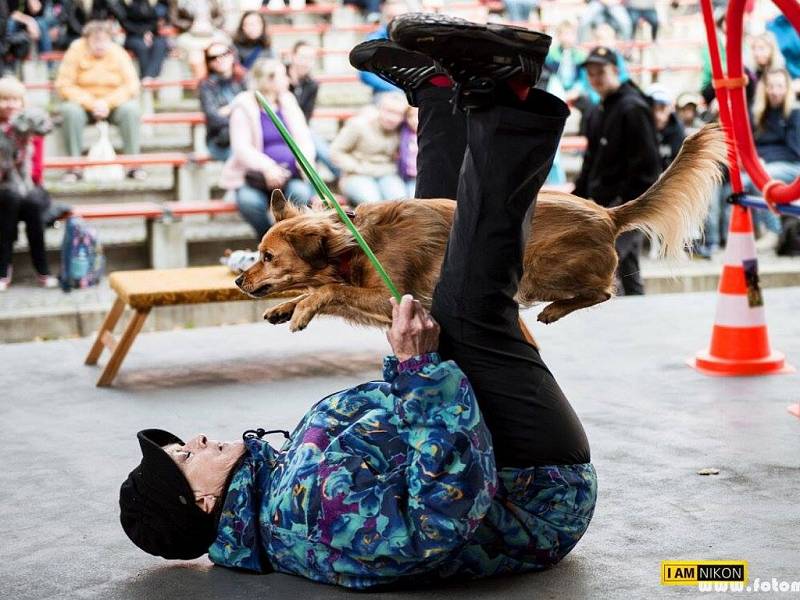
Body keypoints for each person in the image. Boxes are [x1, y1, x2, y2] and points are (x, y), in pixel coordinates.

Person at [119, 14, 595, 587]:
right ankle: (509, 97)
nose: (195, 439)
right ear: (200, 501)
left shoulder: (277, 485)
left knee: (426, 235)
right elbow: (449, 509)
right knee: (469, 304)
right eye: (188, 456)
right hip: (533, 487)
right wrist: (419, 370)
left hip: (480, 429)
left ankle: (442, 95)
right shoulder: (314, 526)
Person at [574, 46, 661, 295]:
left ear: (615, 70)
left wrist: (625, 202)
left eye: (600, 71)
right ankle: (635, 311)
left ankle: (623, 315)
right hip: (604, 204)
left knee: (611, 263)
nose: (595, 78)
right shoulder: (597, 111)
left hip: (627, 206)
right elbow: (591, 161)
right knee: (625, 267)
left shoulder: (632, 107)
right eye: (590, 73)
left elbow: (648, 166)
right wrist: (577, 196)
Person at [220, 57, 315, 238]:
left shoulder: (288, 101)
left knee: (300, 194)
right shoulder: (244, 105)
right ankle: (268, 239)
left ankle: (289, 241)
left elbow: (304, 138)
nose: (287, 79)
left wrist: (301, 162)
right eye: (282, 76)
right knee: (249, 202)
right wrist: (268, 168)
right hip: (254, 177)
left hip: (290, 173)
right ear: (269, 80)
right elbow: (241, 148)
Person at [54, 20, 142, 182]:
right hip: (83, 105)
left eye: (104, 40)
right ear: (87, 40)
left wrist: (107, 103)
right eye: (96, 40)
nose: (100, 44)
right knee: (69, 111)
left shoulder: (117, 52)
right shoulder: (76, 50)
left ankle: (133, 165)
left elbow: (132, 85)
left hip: (112, 105)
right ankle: (74, 167)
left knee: (131, 109)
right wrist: (91, 102)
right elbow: (63, 85)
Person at [0, 76, 57, 291]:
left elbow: (36, 170)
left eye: (16, 99)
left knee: (31, 203)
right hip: (4, 189)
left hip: (31, 186)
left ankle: (42, 268)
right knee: (10, 198)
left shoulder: (33, 129)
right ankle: (3, 268)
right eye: (4, 99)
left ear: (23, 103)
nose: (11, 104)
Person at [748, 68, 800, 251]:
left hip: (792, 166)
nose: (775, 91)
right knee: (744, 181)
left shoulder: (794, 112)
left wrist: (763, 160)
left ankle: (774, 231)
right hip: (766, 163)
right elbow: (754, 145)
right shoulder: (759, 112)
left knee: (763, 178)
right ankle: (754, 232)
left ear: (787, 88)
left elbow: (795, 151)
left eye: (779, 86)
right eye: (771, 86)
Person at [330, 92, 408, 205]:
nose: (393, 118)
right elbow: (336, 151)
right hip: (357, 174)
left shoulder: (402, 129)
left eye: (398, 114)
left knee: (401, 202)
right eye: (389, 111)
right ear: (379, 109)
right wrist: (355, 167)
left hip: (387, 173)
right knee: (373, 202)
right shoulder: (359, 125)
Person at [287, 40, 340, 180]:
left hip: (300, 128)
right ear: (292, 56)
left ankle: (343, 178)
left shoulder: (312, 85)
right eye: (302, 57)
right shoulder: (279, 77)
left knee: (324, 151)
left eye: (310, 59)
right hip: (278, 128)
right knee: (311, 147)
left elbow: (306, 115)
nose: (306, 62)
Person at [198, 42, 245, 161]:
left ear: (232, 55)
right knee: (240, 156)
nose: (219, 59)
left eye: (224, 54)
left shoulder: (245, 79)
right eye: (213, 57)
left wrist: (228, 110)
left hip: (247, 136)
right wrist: (237, 109)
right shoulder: (206, 86)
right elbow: (213, 117)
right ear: (208, 62)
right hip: (221, 141)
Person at [357, 0, 409, 96]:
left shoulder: (416, 39)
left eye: (400, 17)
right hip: (387, 94)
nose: (395, 21)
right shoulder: (374, 40)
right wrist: (400, 90)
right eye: (391, 17)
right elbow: (366, 75)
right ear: (384, 16)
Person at [111, 0, 169, 81]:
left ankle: (148, 77)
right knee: (142, 46)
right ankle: (147, 78)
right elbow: (124, 23)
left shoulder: (153, 3)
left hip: (151, 34)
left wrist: (148, 33)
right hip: (133, 36)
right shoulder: (123, 3)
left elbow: (155, 20)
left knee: (161, 43)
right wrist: (143, 34)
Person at [168, 0, 226, 79]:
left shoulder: (212, 1)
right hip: (190, 35)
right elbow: (174, 19)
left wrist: (210, 24)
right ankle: (203, 82)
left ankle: (219, 81)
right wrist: (191, 25)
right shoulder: (177, 2)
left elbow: (220, 17)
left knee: (220, 48)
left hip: (210, 32)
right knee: (196, 54)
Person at [648, 85, 685, 171]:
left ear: (670, 108)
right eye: (653, 109)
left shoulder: (677, 129)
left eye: (662, 108)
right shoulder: (639, 129)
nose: (657, 115)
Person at [397, 105, 416, 197]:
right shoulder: (402, 133)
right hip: (406, 178)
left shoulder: (431, 136)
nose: (414, 120)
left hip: (421, 178)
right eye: (410, 116)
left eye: (417, 116)